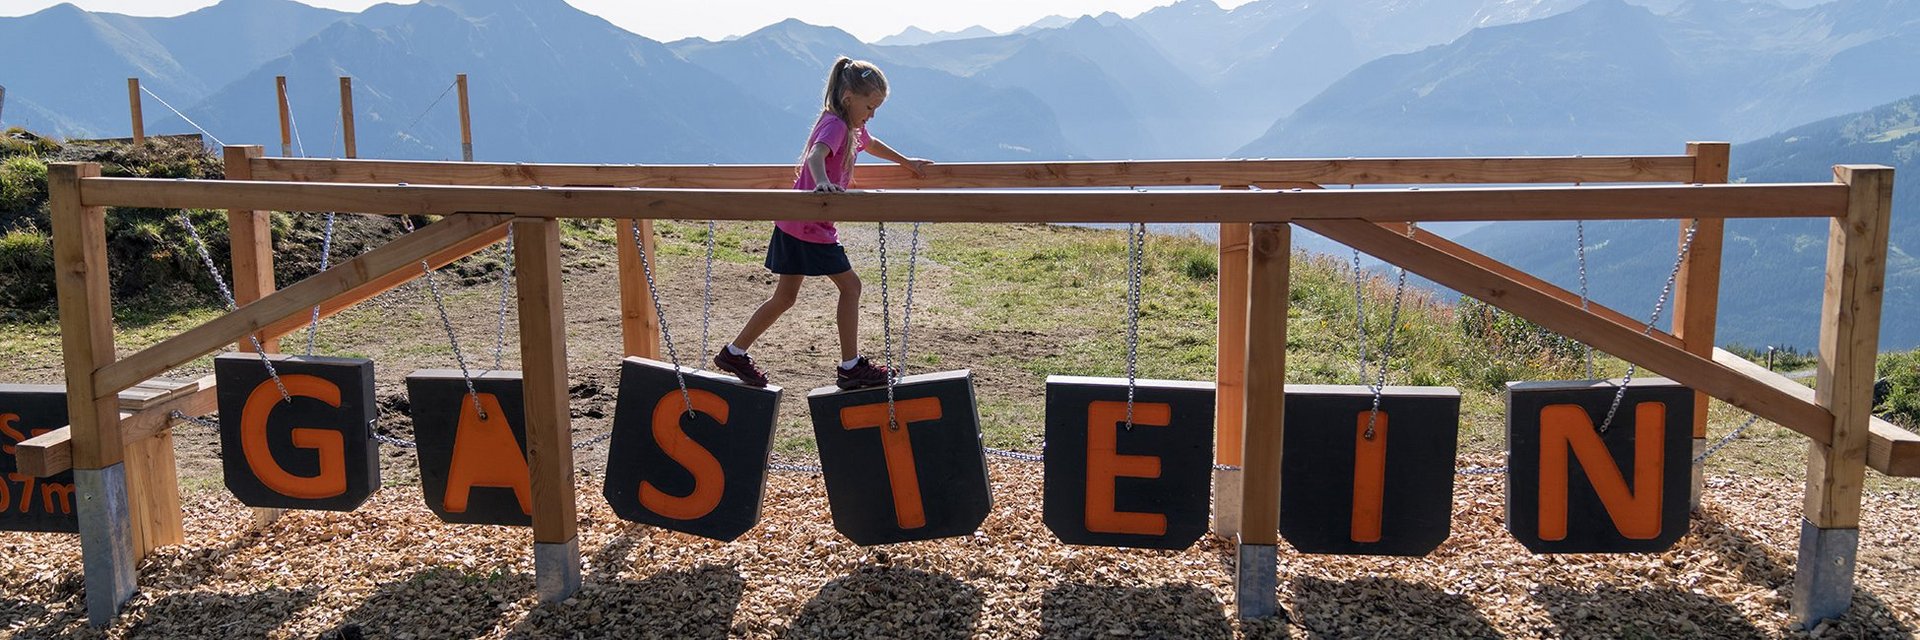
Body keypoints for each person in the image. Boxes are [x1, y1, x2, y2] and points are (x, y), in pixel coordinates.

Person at [712, 56, 933, 389]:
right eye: (870, 107)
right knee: (851, 287)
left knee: (785, 297)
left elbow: (871, 143)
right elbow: (816, 155)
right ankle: (850, 366)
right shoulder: (836, 126)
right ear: (849, 97)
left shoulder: (850, 125)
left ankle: (734, 352)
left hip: (794, 223)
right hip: (809, 226)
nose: (872, 115)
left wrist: (907, 162)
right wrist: (822, 183)